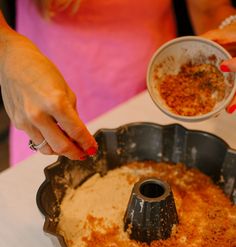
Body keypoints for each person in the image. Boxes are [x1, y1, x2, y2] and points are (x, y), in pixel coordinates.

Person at [0, 0, 236, 165]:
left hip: (155, 91)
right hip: (45, 99)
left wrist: (227, 35)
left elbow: (208, 8)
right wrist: (6, 47)